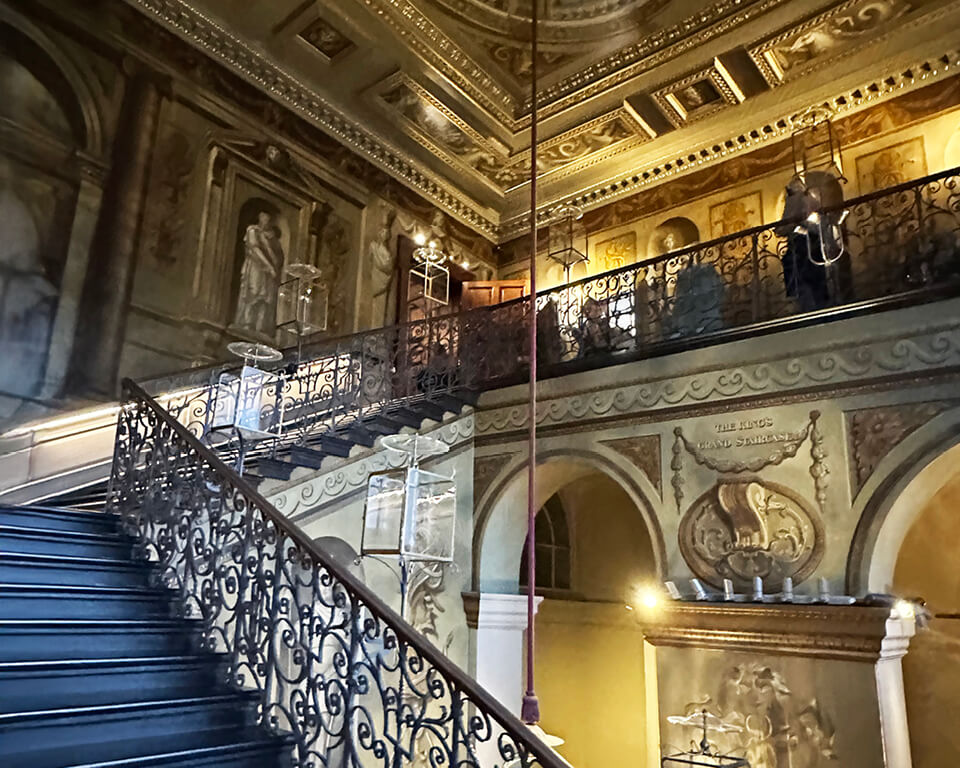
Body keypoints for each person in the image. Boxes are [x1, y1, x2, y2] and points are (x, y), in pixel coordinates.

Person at [774, 177, 831, 312]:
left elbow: (784, 227)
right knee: (806, 274)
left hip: (806, 245)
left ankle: (813, 305)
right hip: (808, 245)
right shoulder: (806, 199)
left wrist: (796, 226)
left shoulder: (799, 200)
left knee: (805, 273)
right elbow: (783, 227)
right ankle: (813, 304)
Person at [234, 210, 285, 334]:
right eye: (264, 216)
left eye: (268, 217)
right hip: (255, 267)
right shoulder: (253, 231)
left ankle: (261, 327)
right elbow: (255, 249)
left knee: (266, 299)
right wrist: (269, 266)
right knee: (253, 293)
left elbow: (279, 258)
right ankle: (247, 324)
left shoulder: (272, 238)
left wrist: (273, 266)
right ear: (260, 217)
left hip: (269, 274)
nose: (266, 219)